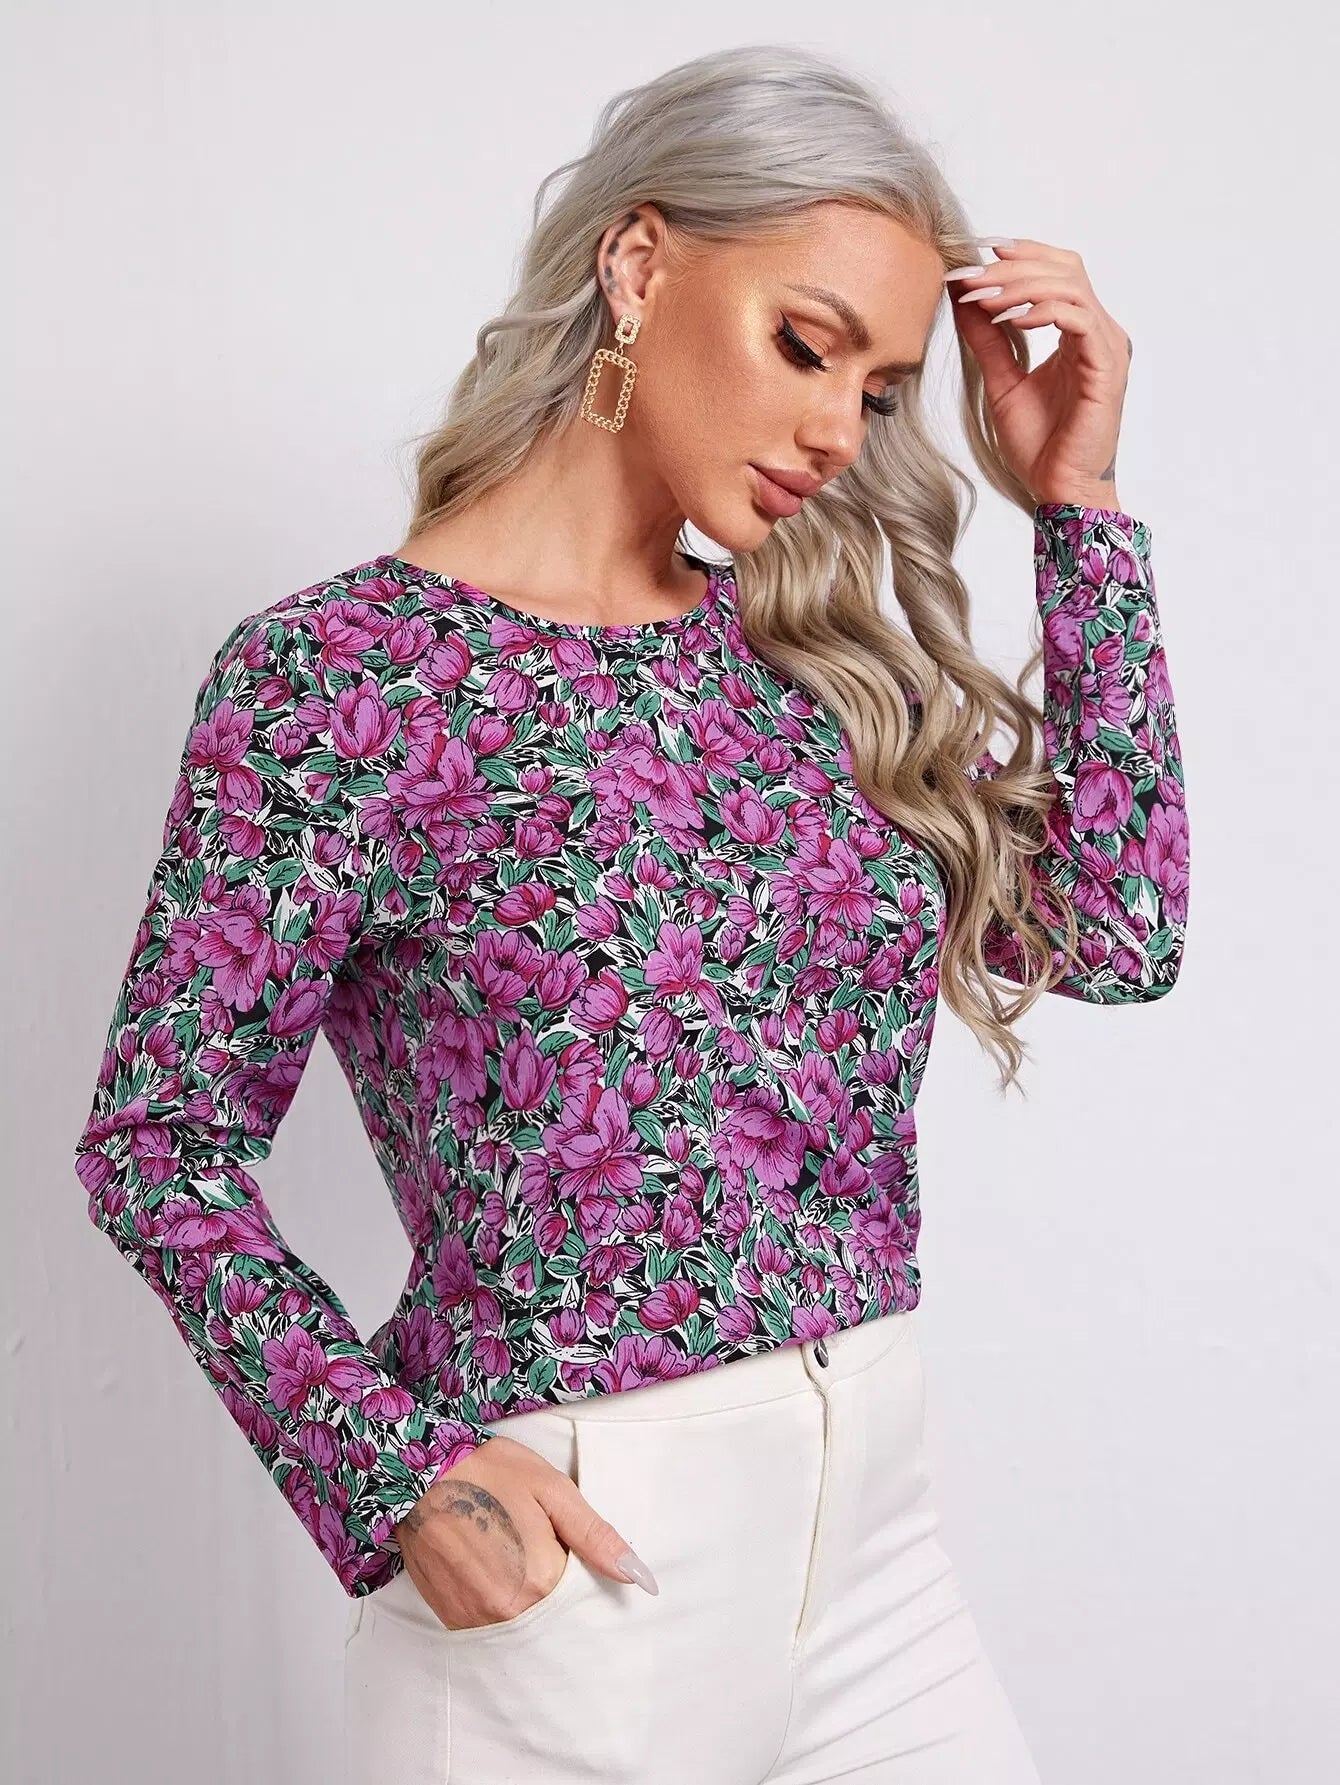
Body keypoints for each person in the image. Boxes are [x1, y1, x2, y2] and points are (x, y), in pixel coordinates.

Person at [74, 41, 1188, 1785]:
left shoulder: (811, 665)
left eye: (882, 390)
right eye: (806, 345)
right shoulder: (340, 682)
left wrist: (1082, 509)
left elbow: (1119, 930)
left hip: (877, 1552)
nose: (837, 431)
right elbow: (158, 1141)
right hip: (576, 1596)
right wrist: (386, 1474)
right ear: (641, 263)